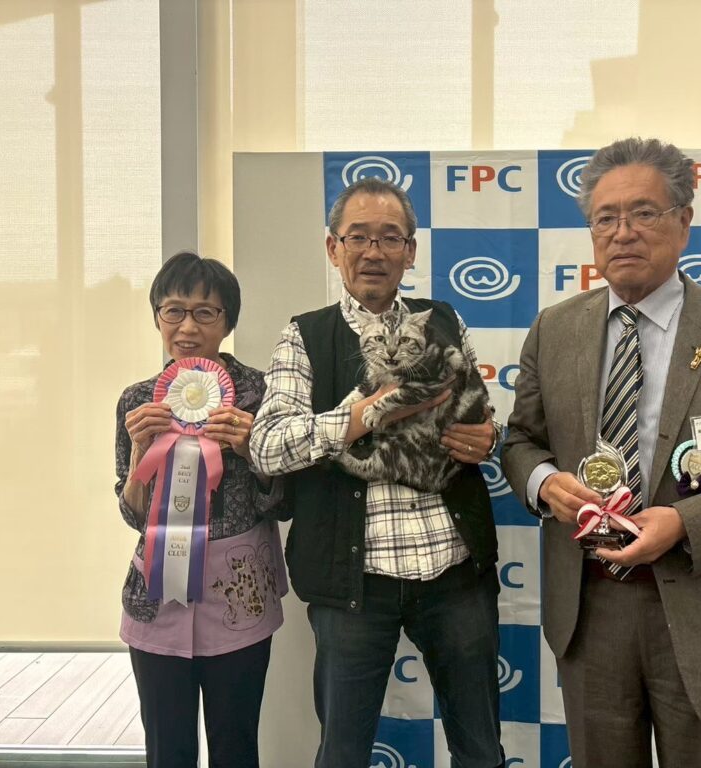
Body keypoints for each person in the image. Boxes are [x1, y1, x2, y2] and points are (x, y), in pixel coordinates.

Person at [501, 138, 701, 768]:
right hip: (591, 607)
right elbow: (521, 441)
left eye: (644, 213)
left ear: (684, 221)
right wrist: (544, 482)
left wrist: (684, 522)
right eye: (605, 217)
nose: (622, 232)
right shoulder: (553, 329)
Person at [249, 177, 505, 768]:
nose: (373, 251)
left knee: (481, 749)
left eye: (390, 238)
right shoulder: (306, 335)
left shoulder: (443, 320)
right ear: (332, 247)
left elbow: (481, 414)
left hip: (454, 571)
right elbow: (266, 447)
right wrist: (365, 414)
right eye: (357, 237)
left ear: (410, 251)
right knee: (342, 753)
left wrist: (487, 437)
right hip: (353, 583)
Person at [115, 251, 286, 768]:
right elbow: (132, 514)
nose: (187, 327)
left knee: (236, 746)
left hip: (239, 596)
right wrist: (140, 453)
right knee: (167, 750)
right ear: (157, 317)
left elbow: (284, 501)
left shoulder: (262, 394)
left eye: (205, 313)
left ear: (228, 322)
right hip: (156, 599)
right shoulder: (137, 401)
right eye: (174, 311)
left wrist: (252, 450)